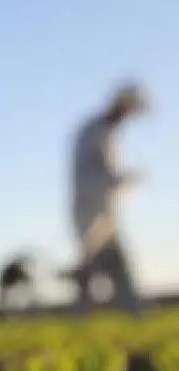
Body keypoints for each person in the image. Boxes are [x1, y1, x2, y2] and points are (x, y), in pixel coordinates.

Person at [68, 82, 147, 317]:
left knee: (110, 265)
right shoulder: (94, 132)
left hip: (104, 212)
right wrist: (125, 179)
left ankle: (132, 313)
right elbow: (93, 176)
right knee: (96, 266)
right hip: (90, 212)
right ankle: (131, 313)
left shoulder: (107, 133)